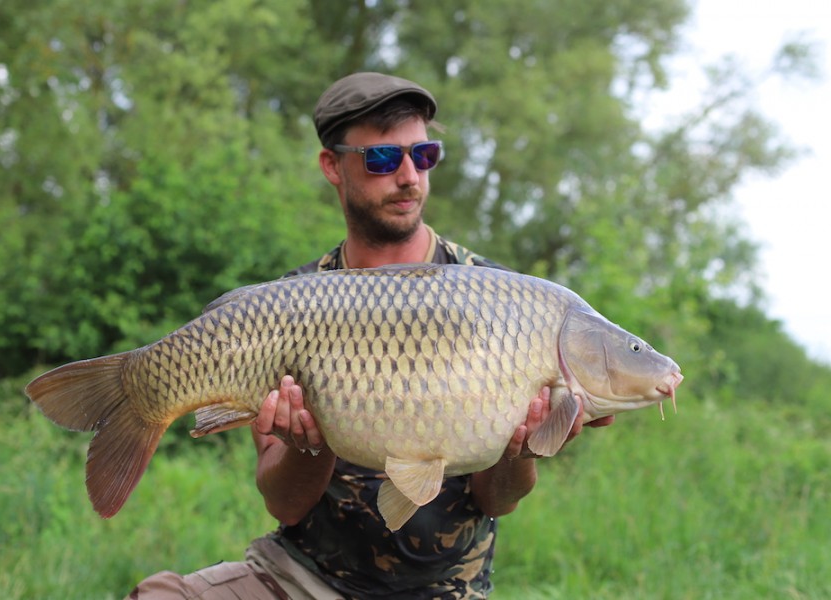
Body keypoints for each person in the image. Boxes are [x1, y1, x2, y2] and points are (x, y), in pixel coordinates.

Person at [129, 72, 614, 600]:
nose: (408, 177)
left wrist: (524, 449)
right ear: (332, 166)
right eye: (383, 160)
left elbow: (496, 502)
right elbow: (285, 505)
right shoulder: (288, 304)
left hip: (446, 591)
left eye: (423, 155)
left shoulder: (502, 300)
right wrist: (307, 445)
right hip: (302, 579)